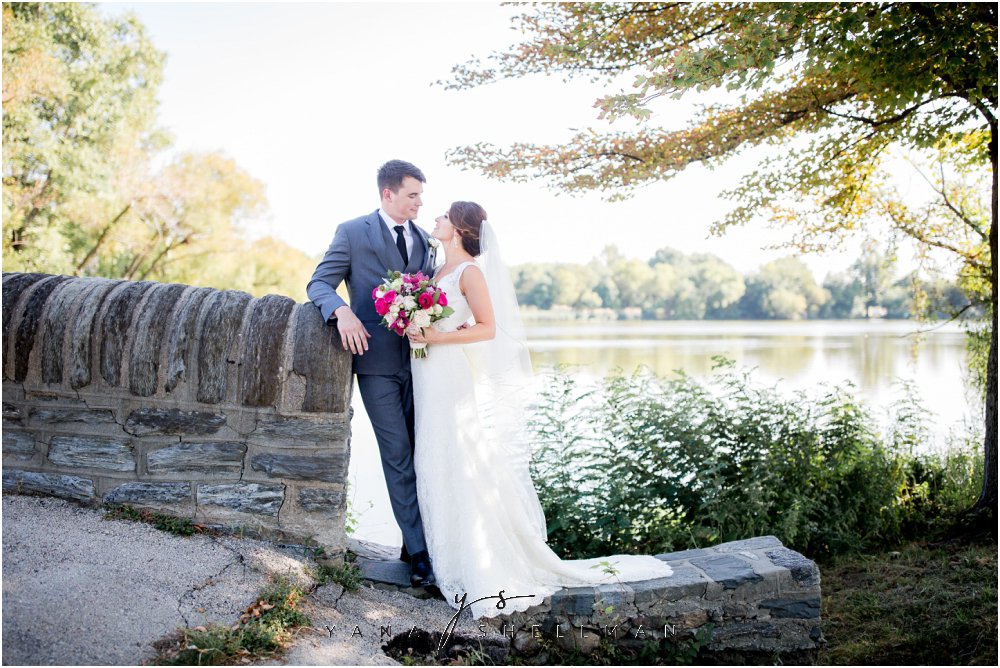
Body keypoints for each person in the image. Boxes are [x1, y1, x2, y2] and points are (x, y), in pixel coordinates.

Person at [407, 202, 673, 619]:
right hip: (426, 373)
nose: (435, 218)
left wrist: (435, 338)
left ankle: (475, 563)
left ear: (458, 228)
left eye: (443, 215)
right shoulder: (435, 271)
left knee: (456, 455)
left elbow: (488, 327)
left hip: (447, 374)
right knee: (434, 458)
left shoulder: (469, 272)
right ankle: (449, 557)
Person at [307, 159, 438, 588]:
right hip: (376, 366)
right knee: (397, 454)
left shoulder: (425, 241)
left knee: (423, 453)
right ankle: (420, 556)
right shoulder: (352, 232)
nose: (420, 202)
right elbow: (319, 284)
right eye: (413, 194)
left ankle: (410, 540)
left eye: (421, 194)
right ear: (388, 194)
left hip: (422, 366)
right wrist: (341, 311)